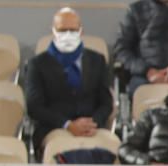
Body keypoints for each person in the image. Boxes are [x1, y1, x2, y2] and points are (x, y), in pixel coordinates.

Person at [24, 7, 113, 154]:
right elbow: (34, 107)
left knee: (114, 151)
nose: (68, 35)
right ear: (53, 31)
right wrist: (68, 125)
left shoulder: (97, 60)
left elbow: (106, 102)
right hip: (54, 128)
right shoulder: (38, 64)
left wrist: (92, 123)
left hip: (93, 128)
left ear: (80, 31)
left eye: (72, 30)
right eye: (62, 30)